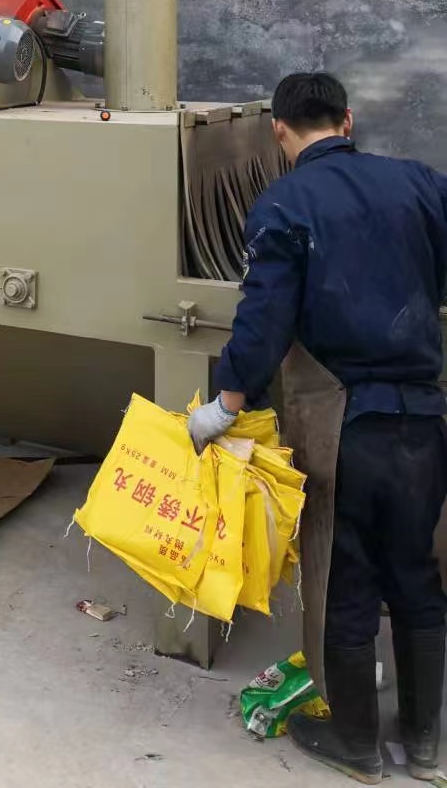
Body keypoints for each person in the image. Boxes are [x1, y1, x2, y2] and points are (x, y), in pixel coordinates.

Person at [188, 72, 447, 784]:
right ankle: (425, 745)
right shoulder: (421, 184)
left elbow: (263, 320)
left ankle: (357, 746)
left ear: (279, 130)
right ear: (348, 120)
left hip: (347, 427)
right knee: (418, 576)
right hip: (424, 421)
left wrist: (225, 405)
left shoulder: (285, 203)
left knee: (347, 583)